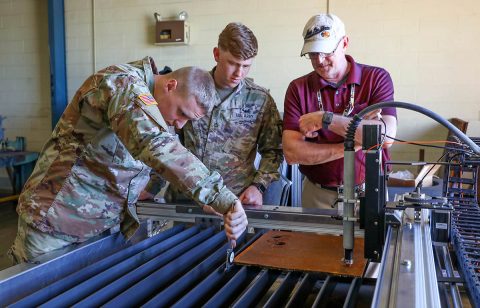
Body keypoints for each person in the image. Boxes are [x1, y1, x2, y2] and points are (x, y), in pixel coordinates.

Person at [9, 57, 248, 263]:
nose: (179, 124)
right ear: (170, 86)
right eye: (182, 113)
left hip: (97, 229)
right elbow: (153, 144)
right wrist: (220, 197)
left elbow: (153, 159)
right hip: (54, 226)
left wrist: (163, 189)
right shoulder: (123, 84)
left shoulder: (159, 109)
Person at [283, 14, 398, 209]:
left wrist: (325, 120)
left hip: (369, 191)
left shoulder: (376, 78)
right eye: (312, 53)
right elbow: (292, 153)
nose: (319, 60)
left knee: (371, 241)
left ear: (344, 43)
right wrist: (352, 146)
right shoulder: (298, 88)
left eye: (326, 51)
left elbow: (384, 138)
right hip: (318, 195)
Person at [171, 22, 283, 206]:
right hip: (190, 200)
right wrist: (151, 186)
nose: (239, 73)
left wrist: (259, 186)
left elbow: (274, 152)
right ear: (216, 54)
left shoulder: (260, 100)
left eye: (246, 66)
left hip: (236, 201)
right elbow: (167, 143)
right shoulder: (190, 90)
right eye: (232, 63)